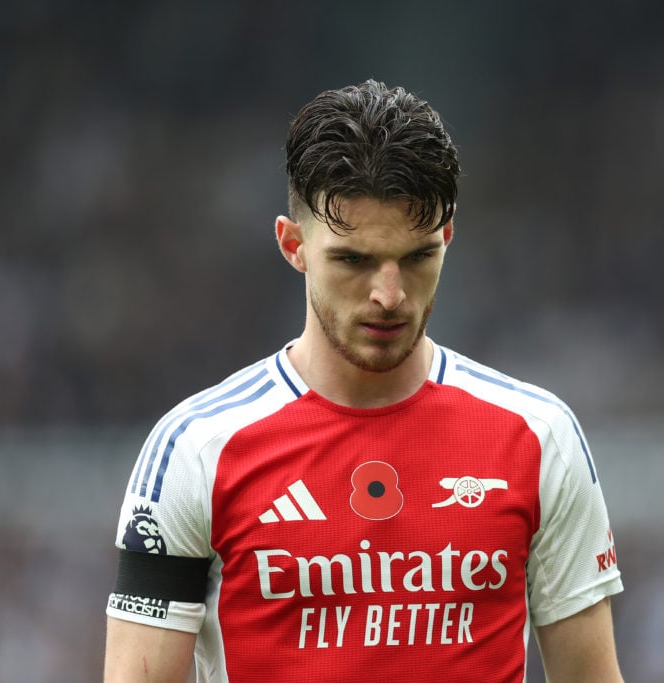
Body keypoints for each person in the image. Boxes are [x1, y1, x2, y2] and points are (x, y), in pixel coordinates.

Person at [104, 79, 625, 682]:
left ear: (448, 238)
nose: (389, 295)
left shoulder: (538, 437)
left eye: (417, 257)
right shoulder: (194, 450)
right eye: (353, 260)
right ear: (293, 245)